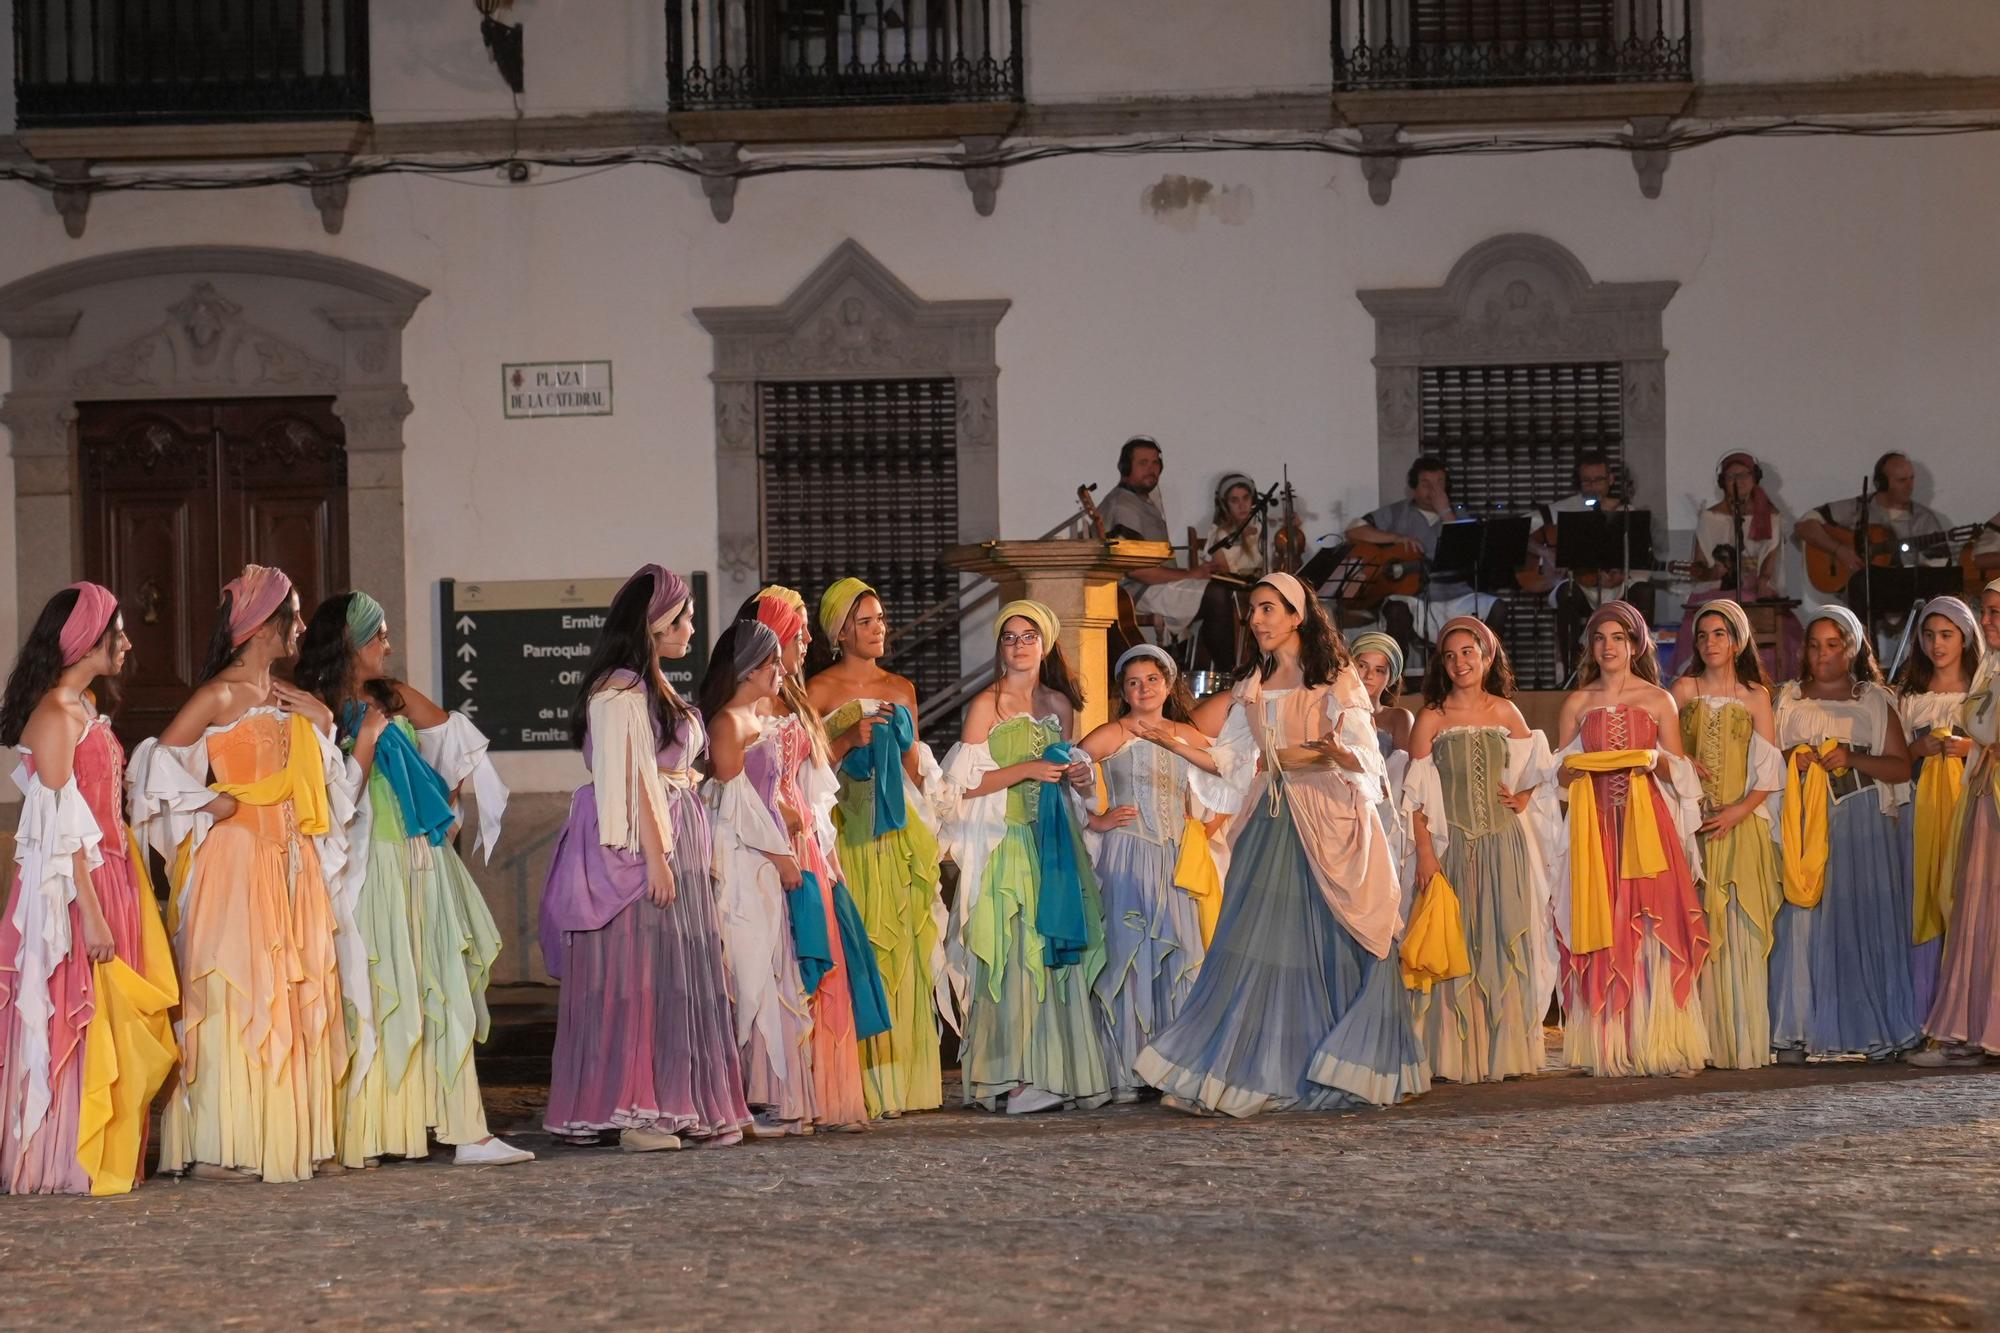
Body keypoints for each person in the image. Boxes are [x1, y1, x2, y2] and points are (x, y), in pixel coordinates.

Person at [1134, 574, 1425, 1115]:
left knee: (1330, 943)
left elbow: (1364, 758)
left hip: (1326, 819)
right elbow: (1232, 762)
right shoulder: (1252, 684)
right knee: (1256, 948)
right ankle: (1251, 1070)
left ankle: (1335, 1063)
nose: (1257, 619)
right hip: (1271, 820)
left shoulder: (1335, 679)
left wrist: (1335, 752)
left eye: (1269, 609)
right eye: (1253, 610)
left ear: (1297, 616)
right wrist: (1173, 743)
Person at [293, 591, 531, 1168]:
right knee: (379, 992)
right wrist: (364, 736)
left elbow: (450, 734)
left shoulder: (385, 695)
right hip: (369, 866)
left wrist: (439, 788)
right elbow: (325, 799)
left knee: (440, 983)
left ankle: (465, 1130)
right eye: (378, 635)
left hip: (418, 859)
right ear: (349, 642)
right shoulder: (316, 709)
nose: (388, 644)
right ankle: (374, 1131)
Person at [134, 566, 349, 1182]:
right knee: (236, 991)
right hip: (234, 861)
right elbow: (152, 769)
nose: (303, 627)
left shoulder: (289, 694)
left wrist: (324, 725)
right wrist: (210, 802)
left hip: (293, 864)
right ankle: (221, 1146)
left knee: (293, 988)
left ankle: (292, 1137)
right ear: (261, 626)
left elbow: (327, 780)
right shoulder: (217, 695)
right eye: (295, 615)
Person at [539, 565, 750, 1151]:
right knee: (638, 975)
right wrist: (656, 857)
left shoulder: (649, 684)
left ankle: (671, 1104)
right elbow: (629, 779)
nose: (689, 628)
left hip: (672, 833)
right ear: (653, 626)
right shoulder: (620, 689)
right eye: (679, 619)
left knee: (669, 974)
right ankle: (638, 1113)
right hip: (639, 845)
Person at [0, 585, 176, 1194]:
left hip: (113, 874)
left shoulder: (87, 704)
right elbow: (57, 831)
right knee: (79, 1010)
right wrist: (93, 913)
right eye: (118, 631)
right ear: (85, 640)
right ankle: (67, 1157)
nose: (127, 641)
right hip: (73, 888)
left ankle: (109, 1148)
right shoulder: (53, 714)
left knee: (116, 1013)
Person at [938, 600, 1112, 1113]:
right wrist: (1027, 769)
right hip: (1008, 841)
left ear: (1046, 643)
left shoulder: (1060, 704)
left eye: (1028, 636)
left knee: (1052, 952)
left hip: (1055, 840)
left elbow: (1070, 770)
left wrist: (1079, 777)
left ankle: (1052, 1070)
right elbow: (960, 788)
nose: (1018, 645)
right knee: (1015, 953)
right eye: (1009, 636)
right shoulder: (985, 705)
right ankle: (1011, 1076)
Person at [740, 586, 890, 1132]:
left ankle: (823, 1092)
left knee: (826, 954)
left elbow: (809, 767)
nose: (806, 640)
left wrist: (846, 740)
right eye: (797, 630)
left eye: (805, 630)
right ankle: (778, 1091)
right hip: (773, 843)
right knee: (783, 961)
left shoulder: (796, 696)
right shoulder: (751, 696)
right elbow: (744, 776)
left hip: (810, 839)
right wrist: (782, 820)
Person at [807, 577, 949, 1118]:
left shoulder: (901, 688)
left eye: (880, 619)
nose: (878, 629)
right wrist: (848, 739)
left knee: (905, 949)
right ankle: (859, 1085)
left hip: (897, 835)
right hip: (847, 828)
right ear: (840, 632)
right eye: (865, 622)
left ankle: (908, 1085)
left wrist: (937, 816)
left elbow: (915, 765)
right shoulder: (817, 689)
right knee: (858, 946)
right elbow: (810, 767)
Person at [1555, 601, 1711, 1077]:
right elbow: (1559, 775)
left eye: (1618, 638)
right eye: (1600, 639)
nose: (1608, 647)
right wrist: (1576, 766)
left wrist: (1651, 758)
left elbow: (1680, 770)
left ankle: (1655, 1037)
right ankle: (1609, 1043)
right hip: (1597, 825)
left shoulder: (1658, 700)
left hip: (1649, 826)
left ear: (1636, 643)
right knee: (1603, 922)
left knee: (1650, 923)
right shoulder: (1578, 703)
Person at [1402, 617, 1558, 1083]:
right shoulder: (1432, 716)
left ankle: (1501, 1052)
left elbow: (1539, 772)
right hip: (1451, 848)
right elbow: (1415, 797)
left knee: (1500, 937)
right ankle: (1452, 1054)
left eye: (1468, 652)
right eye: (1450, 656)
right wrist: (1426, 853)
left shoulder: (1507, 712)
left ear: (1488, 657)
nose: (1459, 662)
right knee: (1456, 940)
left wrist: (1524, 798)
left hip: (1502, 843)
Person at [1076, 645, 1230, 1102]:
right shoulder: (1113, 733)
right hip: (1129, 853)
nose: (1143, 688)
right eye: (1133, 682)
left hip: (1176, 857)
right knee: (1129, 956)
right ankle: (1127, 1069)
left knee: (1181, 954)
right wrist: (1095, 819)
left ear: (1167, 684)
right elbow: (1068, 774)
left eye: (1152, 680)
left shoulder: (1185, 733)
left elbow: (1234, 771)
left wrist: (1208, 824)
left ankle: (1175, 1070)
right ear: (1123, 691)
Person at [1770, 605, 1919, 1063]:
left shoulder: (1872, 700)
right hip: (1801, 820)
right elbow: (1765, 762)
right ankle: (1795, 1030)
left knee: (1858, 922)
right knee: (1802, 920)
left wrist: (1852, 759)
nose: (1822, 654)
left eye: (1833, 645)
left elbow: (1900, 765)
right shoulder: (1788, 699)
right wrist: (1792, 756)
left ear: (1852, 648)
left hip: (1857, 818)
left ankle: (1871, 1027)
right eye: (1814, 645)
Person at [701, 619, 819, 1136]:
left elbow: (772, 788)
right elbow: (733, 805)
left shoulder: (767, 715)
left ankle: (778, 1096)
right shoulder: (727, 722)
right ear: (749, 668)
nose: (781, 670)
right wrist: (779, 855)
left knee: (775, 968)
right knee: (746, 970)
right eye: (772, 662)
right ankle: (745, 1097)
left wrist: (792, 818)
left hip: (771, 857)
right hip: (743, 862)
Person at [1670, 599, 1785, 1069]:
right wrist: (1677, 757)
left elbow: (1770, 769)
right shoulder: (1683, 689)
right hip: (1695, 824)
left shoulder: (1756, 695)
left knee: (1738, 928)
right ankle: (1701, 1041)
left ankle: (1739, 1041)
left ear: (1737, 641)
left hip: (1740, 824)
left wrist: (1739, 811)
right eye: (1703, 635)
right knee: (1699, 926)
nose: (1710, 642)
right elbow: (1654, 738)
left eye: (1719, 633)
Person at [1916, 578, 2000, 1065]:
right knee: (1976, 910)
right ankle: (1971, 1031)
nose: (1987, 621)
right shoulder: (1989, 670)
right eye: (1984, 612)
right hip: (1984, 795)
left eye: (1994, 613)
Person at [1888, 596, 1982, 1020]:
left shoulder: (1981, 691)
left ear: (1964, 637)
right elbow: (1894, 758)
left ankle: (1969, 1009)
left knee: (1966, 897)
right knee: (1923, 896)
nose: (1937, 644)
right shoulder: (1911, 696)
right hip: (1921, 811)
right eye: (1929, 635)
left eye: (1946, 635)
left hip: (1970, 806)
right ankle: (1926, 1011)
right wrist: (1916, 748)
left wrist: (1970, 747)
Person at [1095, 436, 1247, 669]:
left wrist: (1194, 574)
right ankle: (1229, 676)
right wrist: (1191, 573)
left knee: (1225, 591)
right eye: (1143, 463)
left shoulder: (1140, 501)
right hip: (1134, 592)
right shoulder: (1123, 506)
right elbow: (1138, 571)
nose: (1152, 469)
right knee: (1216, 596)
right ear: (1126, 467)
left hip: (1153, 587)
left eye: (1156, 463)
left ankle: (1194, 669)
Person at [1345, 455, 1508, 668]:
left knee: (1498, 608)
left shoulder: (1458, 514)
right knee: (1396, 609)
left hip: (1458, 595)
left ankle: (1489, 673)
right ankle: (1396, 680)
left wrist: (1445, 512)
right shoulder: (1396, 512)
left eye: (1440, 483)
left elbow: (1469, 550)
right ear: (1414, 487)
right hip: (1415, 597)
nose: (1434, 490)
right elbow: (1355, 530)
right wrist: (1395, 538)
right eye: (1426, 484)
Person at [1795, 451, 1950, 645]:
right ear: (1882, 483)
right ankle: (1867, 666)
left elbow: (1940, 564)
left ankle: (1914, 668)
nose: (1910, 487)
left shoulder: (1923, 519)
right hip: (1863, 595)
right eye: (1902, 480)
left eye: (1912, 479)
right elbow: (1805, 525)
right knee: (1861, 593)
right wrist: (1839, 550)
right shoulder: (1858, 508)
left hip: (1906, 594)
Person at [1667, 452, 1798, 679]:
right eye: (1731, 476)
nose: (1738, 481)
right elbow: (1700, 568)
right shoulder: (1710, 518)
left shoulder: (1771, 517)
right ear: (1723, 482)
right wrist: (1712, 572)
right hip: (1715, 592)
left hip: (1754, 591)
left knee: (1785, 624)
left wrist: (1763, 580)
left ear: (1755, 477)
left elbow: (1770, 559)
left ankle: (1766, 685)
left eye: (1744, 475)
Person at [1529, 451, 1658, 679]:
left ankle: (1641, 667)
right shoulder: (1561, 510)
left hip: (1617, 586)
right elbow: (1521, 536)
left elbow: (1640, 558)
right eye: (1586, 480)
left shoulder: (1626, 512)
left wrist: (1620, 576)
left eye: (1598, 479)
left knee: (1644, 591)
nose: (1593, 486)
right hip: (1580, 585)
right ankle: (1571, 671)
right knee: (1566, 596)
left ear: (1610, 480)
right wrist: (1546, 553)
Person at [1351, 631, 1414, 758]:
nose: (1369, 676)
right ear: (1350, 668)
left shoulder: (1399, 718)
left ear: (1390, 678)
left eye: (1379, 670)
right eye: (1362, 666)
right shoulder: (1333, 711)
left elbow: (1404, 769)